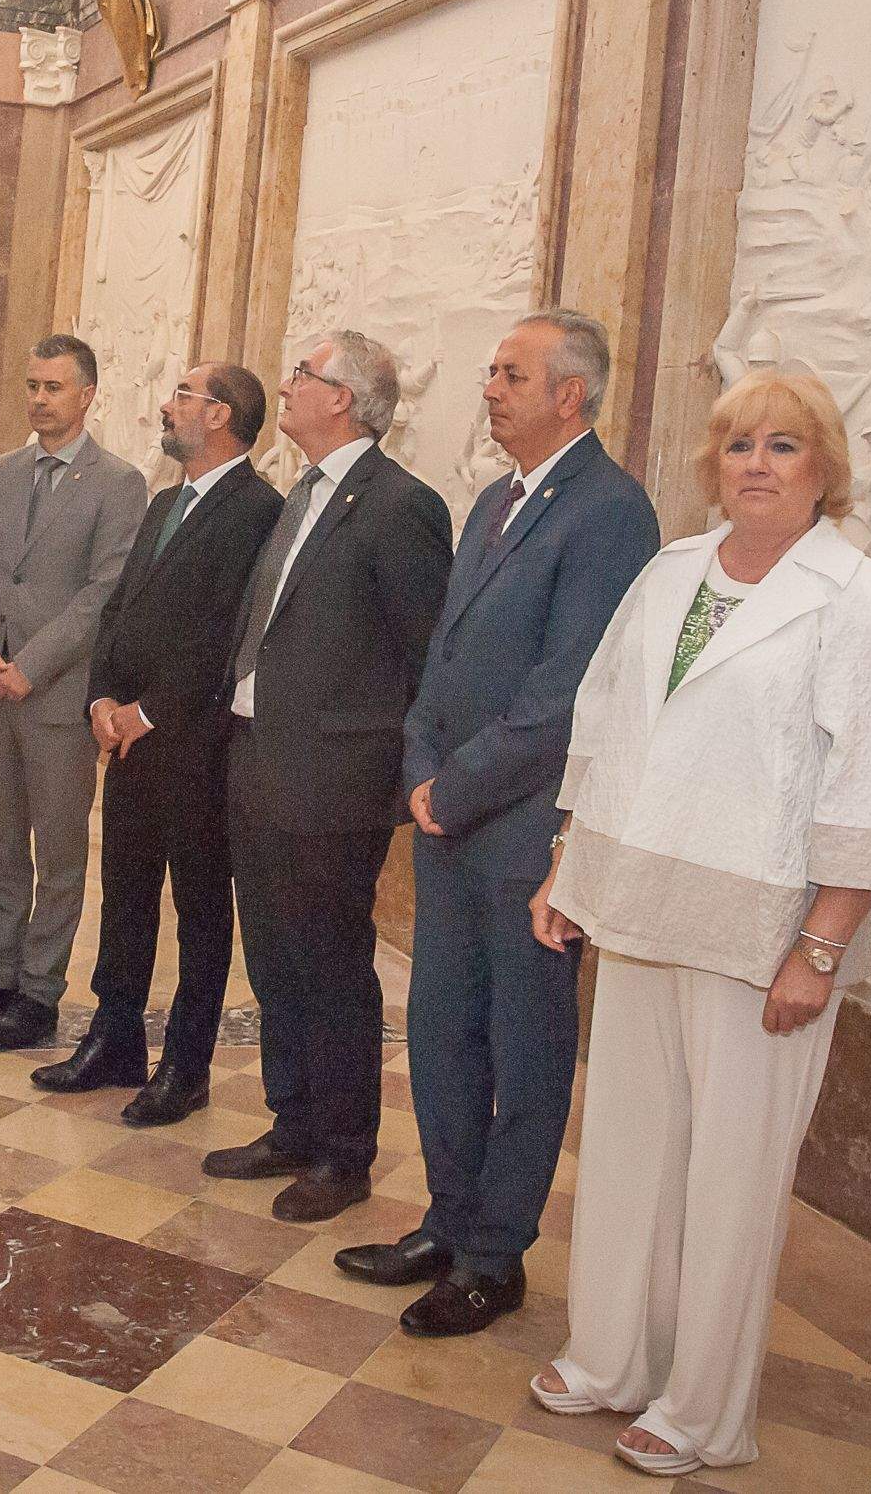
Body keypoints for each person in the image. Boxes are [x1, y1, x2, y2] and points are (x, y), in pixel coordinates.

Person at [528, 367, 871, 1477]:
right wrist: (569, 868)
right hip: (642, 906)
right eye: (740, 444)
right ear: (714, 464)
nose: (757, 463)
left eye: (785, 447)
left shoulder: (855, 599)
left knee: (732, 1182)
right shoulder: (670, 573)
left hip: (765, 941)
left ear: (823, 470)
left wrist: (820, 948)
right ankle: (611, 1359)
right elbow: (605, 727)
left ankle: (702, 1412)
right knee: (628, 1150)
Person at [338, 312, 659, 1336]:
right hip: (452, 820)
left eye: (511, 374)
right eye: (489, 371)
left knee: (522, 1044)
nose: (490, 388)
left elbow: (570, 691)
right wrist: (422, 766)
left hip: (529, 829)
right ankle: (447, 1217)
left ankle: (494, 1256)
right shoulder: (492, 502)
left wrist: (456, 784)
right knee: (439, 1032)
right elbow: (442, 661)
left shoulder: (609, 512)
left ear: (572, 394)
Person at [205, 331, 451, 1222]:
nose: (288, 385)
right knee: (272, 958)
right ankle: (293, 1123)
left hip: (334, 780)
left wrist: (391, 777)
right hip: (258, 761)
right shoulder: (296, 497)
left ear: (342, 397)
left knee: (332, 964)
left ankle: (345, 1151)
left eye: (302, 375)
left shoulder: (398, 506)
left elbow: (426, 656)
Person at [38, 362, 282, 1122]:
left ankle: (185, 1064)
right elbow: (121, 609)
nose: (167, 407)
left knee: (201, 910)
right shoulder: (166, 500)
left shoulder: (256, 509)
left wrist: (152, 710)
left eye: (182, 395)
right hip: (129, 738)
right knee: (129, 893)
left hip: (196, 747)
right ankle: (113, 1039)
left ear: (219, 415)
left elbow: (228, 633)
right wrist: (102, 697)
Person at [0, 334, 147, 1050]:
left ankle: (40, 992)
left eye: (53, 387)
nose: (39, 400)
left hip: (54, 699)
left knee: (56, 851)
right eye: (31, 386)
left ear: (85, 396)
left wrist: (35, 663)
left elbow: (102, 594)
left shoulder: (117, 484)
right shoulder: (3, 471)